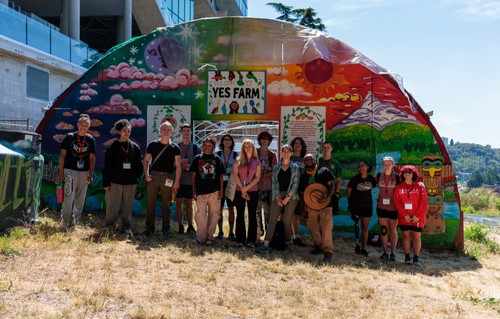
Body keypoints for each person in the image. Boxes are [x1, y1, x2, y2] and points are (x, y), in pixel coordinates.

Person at [102, 119, 143, 236]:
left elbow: (139, 165)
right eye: (124, 131)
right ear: (119, 132)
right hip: (115, 181)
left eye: (129, 131)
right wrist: (106, 183)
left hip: (130, 182)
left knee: (128, 206)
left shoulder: (135, 147)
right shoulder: (113, 147)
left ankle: (126, 227)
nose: (127, 133)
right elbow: (107, 166)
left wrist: (136, 177)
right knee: (112, 205)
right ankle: (110, 225)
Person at [256, 144, 299, 253]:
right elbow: (274, 183)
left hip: (291, 197)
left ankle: (287, 244)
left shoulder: (295, 167)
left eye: (288, 151)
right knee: (272, 220)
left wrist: (287, 198)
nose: (286, 153)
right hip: (278, 195)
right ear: (281, 153)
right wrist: (278, 198)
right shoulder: (276, 167)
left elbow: (295, 184)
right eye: (284, 151)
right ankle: (266, 244)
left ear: (291, 153)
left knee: (287, 221)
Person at [142, 121, 181, 238]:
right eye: (164, 129)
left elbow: (178, 166)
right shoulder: (152, 144)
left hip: (167, 178)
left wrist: (177, 181)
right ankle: (149, 228)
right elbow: (145, 160)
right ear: (160, 131)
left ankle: (166, 228)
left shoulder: (175, 147)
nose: (166, 131)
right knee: (151, 204)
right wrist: (146, 174)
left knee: (166, 205)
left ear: (172, 132)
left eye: (168, 129)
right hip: (153, 177)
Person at [58, 114, 95, 229]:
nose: (83, 127)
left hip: (84, 171)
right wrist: (61, 172)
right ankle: (65, 220)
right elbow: (62, 156)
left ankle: (76, 219)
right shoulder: (69, 137)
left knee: (80, 196)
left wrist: (91, 174)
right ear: (77, 125)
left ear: (89, 126)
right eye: (81, 124)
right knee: (69, 195)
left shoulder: (90, 139)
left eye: (86, 125)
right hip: (69, 170)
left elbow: (92, 158)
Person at [298, 154, 335, 262]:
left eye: (311, 159)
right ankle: (318, 246)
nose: (309, 161)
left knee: (326, 228)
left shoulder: (324, 171)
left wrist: (328, 196)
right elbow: (302, 194)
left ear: (315, 160)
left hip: (325, 205)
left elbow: (332, 184)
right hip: (310, 206)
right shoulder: (304, 176)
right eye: (306, 159)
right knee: (313, 228)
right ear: (304, 163)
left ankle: (328, 252)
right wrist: (303, 209)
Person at [190, 136, 225, 245]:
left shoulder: (217, 159)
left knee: (214, 214)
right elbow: (194, 176)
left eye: (209, 145)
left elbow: (220, 176)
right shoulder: (197, 158)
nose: (207, 147)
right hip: (200, 191)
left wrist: (221, 190)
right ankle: (200, 237)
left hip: (214, 191)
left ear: (213, 147)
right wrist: (193, 190)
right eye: (205, 145)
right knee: (200, 214)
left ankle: (210, 237)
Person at [394, 165, 428, 266]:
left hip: (418, 217)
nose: (407, 174)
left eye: (410, 172)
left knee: (416, 236)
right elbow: (397, 202)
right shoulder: (399, 187)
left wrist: (418, 215)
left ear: (413, 174)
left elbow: (424, 202)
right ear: (402, 174)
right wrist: (405, 215)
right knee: (405, 235)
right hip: (404, 217)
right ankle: (407, 257)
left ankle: (416, 259)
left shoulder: (420, 186)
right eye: (405, 172)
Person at [233, 139, 261, 248]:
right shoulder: (238, 160)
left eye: (250, 146)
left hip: (253, 191)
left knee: (252, 215)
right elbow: (235, 175)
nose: (248, 148)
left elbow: (257, 177)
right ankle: (240, 239)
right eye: (245, 146)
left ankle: (251, 241)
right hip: (239, 190)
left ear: (253, 148)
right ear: (243, 148)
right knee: (240, 214)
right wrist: (242, 189)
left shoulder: (257, 161)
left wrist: (247, 188)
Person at [347, 161, 377, 256]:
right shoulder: (354, 179)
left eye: (363, 166)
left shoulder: (371, 179)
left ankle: (364, 248)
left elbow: (377, 186)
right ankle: (357, 244)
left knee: (365, 227)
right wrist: (351, 205)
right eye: (359, 166)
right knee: (357, 226)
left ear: (367, 167)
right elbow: (348, 192)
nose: (361, 168)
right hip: (356, 207)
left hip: (367, 206)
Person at [175, 123, 200, 235]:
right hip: (178, 180)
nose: (186, 132)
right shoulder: (176, 147)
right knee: (179, 203)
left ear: (191, 132)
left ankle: (190, 226)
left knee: (189, 204)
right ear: (181, 132)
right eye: (184, 130)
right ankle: (180, 226)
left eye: (188, 130)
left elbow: (200, 165)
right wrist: (180, 163)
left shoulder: (196, 148)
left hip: (190, 181)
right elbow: (171, 163)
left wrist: (191, 166)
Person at [375, 156, 401, 261]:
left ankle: (393, 253)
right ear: (382, 165)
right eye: (384, 164)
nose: (386, 166)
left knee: (393, 230)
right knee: (384, 230)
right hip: (381, 207)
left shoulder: (398, 177)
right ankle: (385, 252)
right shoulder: (378, 176)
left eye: (388, 164)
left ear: (393, 165)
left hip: (393, 209)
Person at [215, 134, 238, 240]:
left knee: (231, 208)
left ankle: (231, 232)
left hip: (231, 184)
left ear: (232, 142)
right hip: (220, 183)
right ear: (222, 142)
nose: (227, 141)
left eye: (229, 140)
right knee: (219, 209)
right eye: (225, 140)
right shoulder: (218, 154)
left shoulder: (236, 155)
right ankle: (220, 231)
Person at [256, 131, 277, 237]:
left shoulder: (272, 155)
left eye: (266, 138)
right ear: (259, 140)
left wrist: (263, 172)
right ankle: (259, 231)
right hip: (256, 187)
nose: (264, 140)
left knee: (268, 211)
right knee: (257, 210)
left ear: (269, 140)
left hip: (268, 187)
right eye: (262, 138)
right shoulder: (255, 153)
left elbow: (274, 170)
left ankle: (269, 235)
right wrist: (264, 171)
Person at [290, 137, 307, 247]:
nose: (297, 145)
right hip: (288, 190)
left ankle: (295, 237)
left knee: (296, 215)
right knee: (285, 215)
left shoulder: (305, 159)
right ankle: (287, 237)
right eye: (295, 143)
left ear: (302, 146)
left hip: (300, 191)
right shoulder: (288, 157)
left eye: (299, 143)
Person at [317, 141, 342, 214]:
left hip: (331, 191)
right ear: (322, 149)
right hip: (320, 191)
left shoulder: (336, 163)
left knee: (329, 213)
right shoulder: (318, 162)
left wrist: (337, 193)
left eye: (328, 147)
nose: (326, 149)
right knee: (318, 211)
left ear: (332, 149)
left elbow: (339, 180)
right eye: (324, 148)